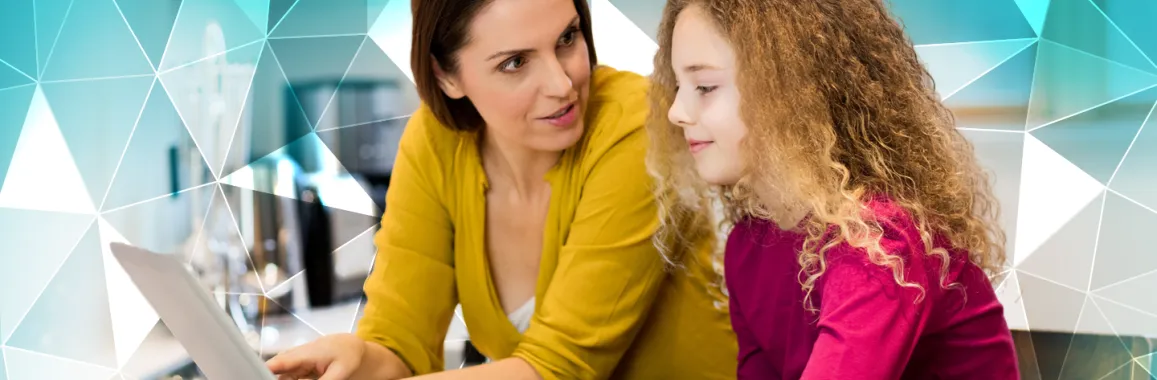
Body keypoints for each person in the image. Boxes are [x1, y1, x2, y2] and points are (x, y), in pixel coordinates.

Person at [266, 0, 737, 379]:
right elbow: (399, 340)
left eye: (567, 38)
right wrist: (358, 359)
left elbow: (561, 367)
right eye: (515, 62)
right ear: (446, 77)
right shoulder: (435, 144)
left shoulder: (636, 124)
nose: (562, 83)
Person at [645, 0, 1020, 379]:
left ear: (789, 89)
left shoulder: (878, 243)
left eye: (704, 86)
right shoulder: (747, 247)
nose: (676, 111)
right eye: (679, 86)